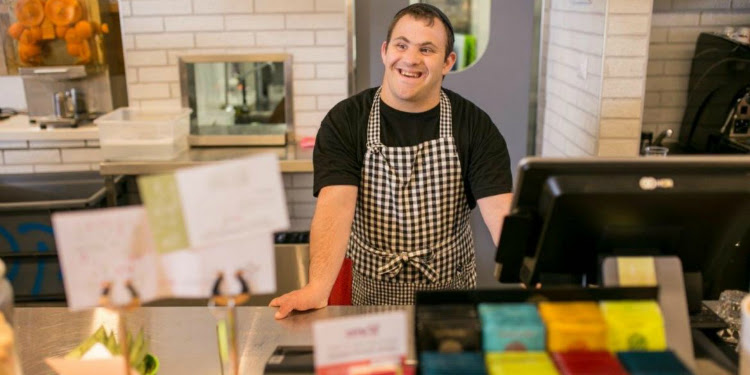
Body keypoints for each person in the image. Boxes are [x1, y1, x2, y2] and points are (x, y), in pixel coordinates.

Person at [270, 3, 513, 318]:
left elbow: (500, 210)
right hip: (369, 295)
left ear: (447, 62)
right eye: (402, 45)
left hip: (449, 297)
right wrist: (317, 287)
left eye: (427, 49)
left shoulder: (473, 124)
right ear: (385, 51)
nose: (411, 59)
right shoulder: (346, 120)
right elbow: (336, 206)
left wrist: (528, 272)